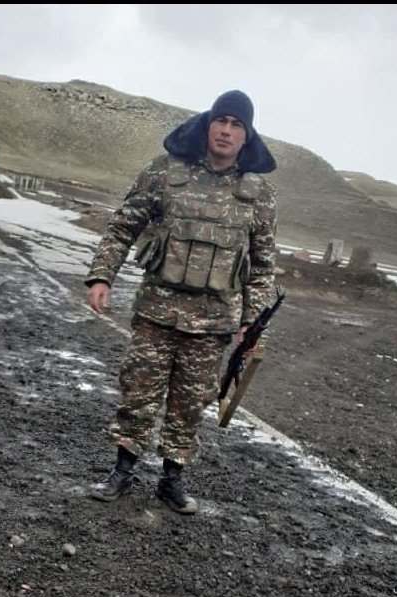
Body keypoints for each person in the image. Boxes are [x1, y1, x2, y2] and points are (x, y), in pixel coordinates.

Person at [85, 89, 278, 514]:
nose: (226, 130)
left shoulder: (258, 195)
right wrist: (102, 275)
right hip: (156, 312)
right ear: (208, 124)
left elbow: (263, 264)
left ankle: (172, 479)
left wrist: (252, 320)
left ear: (247, 136)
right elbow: (123, 227)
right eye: (221, 120)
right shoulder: (165, 172)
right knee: (138, 392)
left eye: (237, 125)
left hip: (213, 324)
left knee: (190, 404)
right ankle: (122, 470)